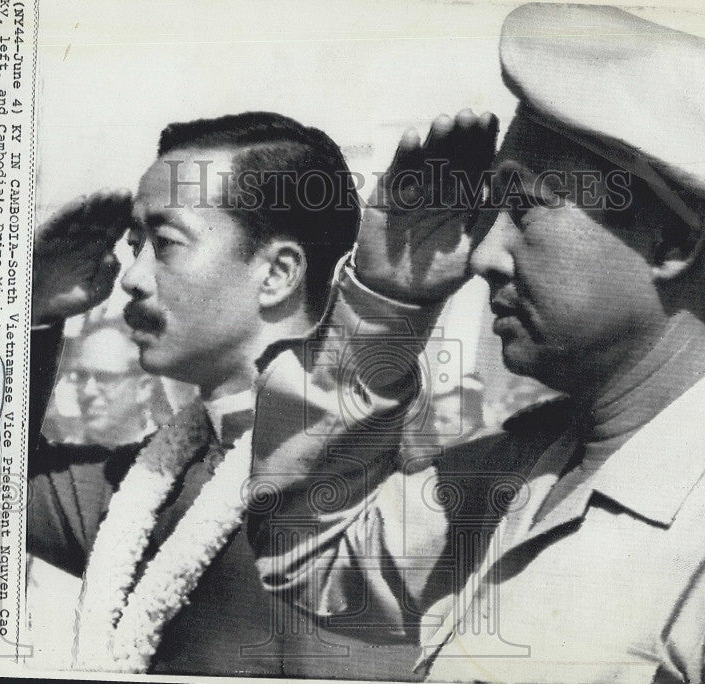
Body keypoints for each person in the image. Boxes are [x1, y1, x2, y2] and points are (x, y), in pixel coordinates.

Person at [244, 5, 705, 683]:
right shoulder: (528, 465)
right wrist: (384, 303)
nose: (483, 255)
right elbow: (307, 548)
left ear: (671, 243)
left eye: (527, 206)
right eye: (488, 210)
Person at [26, 112, 420, 676]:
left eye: (163, 243)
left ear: (277, 273)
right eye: (133, 245)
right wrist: (33, 306)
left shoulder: (381, 477)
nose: (131, 278)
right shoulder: (146, 486)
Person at [68, 320, 163, 445]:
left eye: (105, 377)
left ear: (143, 387)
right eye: (82, 376)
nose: (87, 391)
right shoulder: (54, 458)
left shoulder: (171, 455)